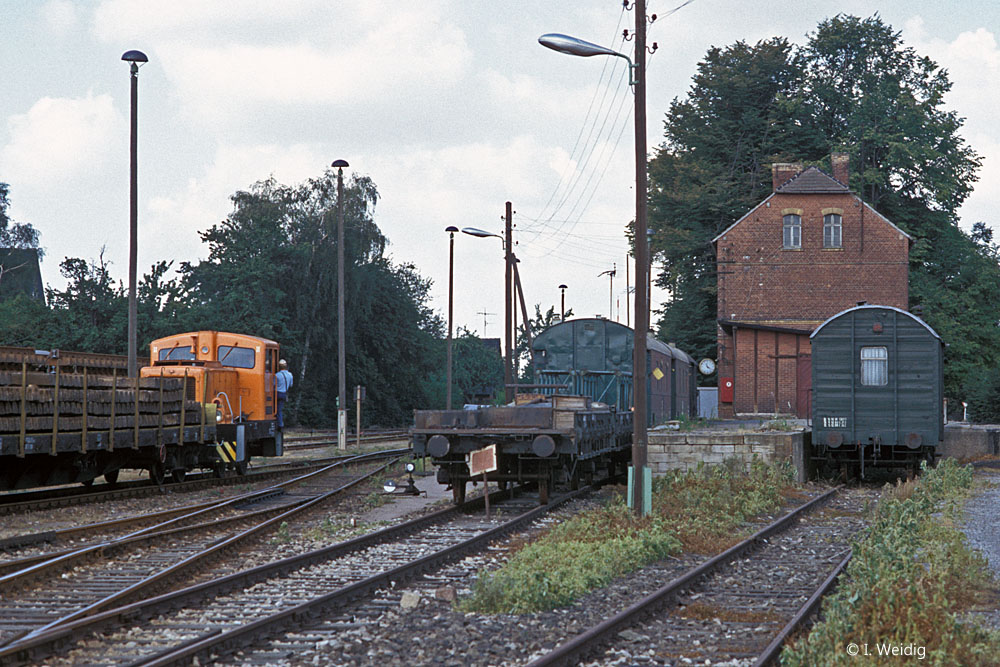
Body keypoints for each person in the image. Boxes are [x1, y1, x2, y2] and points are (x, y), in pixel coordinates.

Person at [275, 359, 293, 430]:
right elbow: (291, 385)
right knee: (280, 409)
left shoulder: (277, 375)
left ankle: (279, 423)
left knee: (276, 409)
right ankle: (280, 422)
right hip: (284, 393)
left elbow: (273, 384)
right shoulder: (290, 375)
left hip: (277, 393)